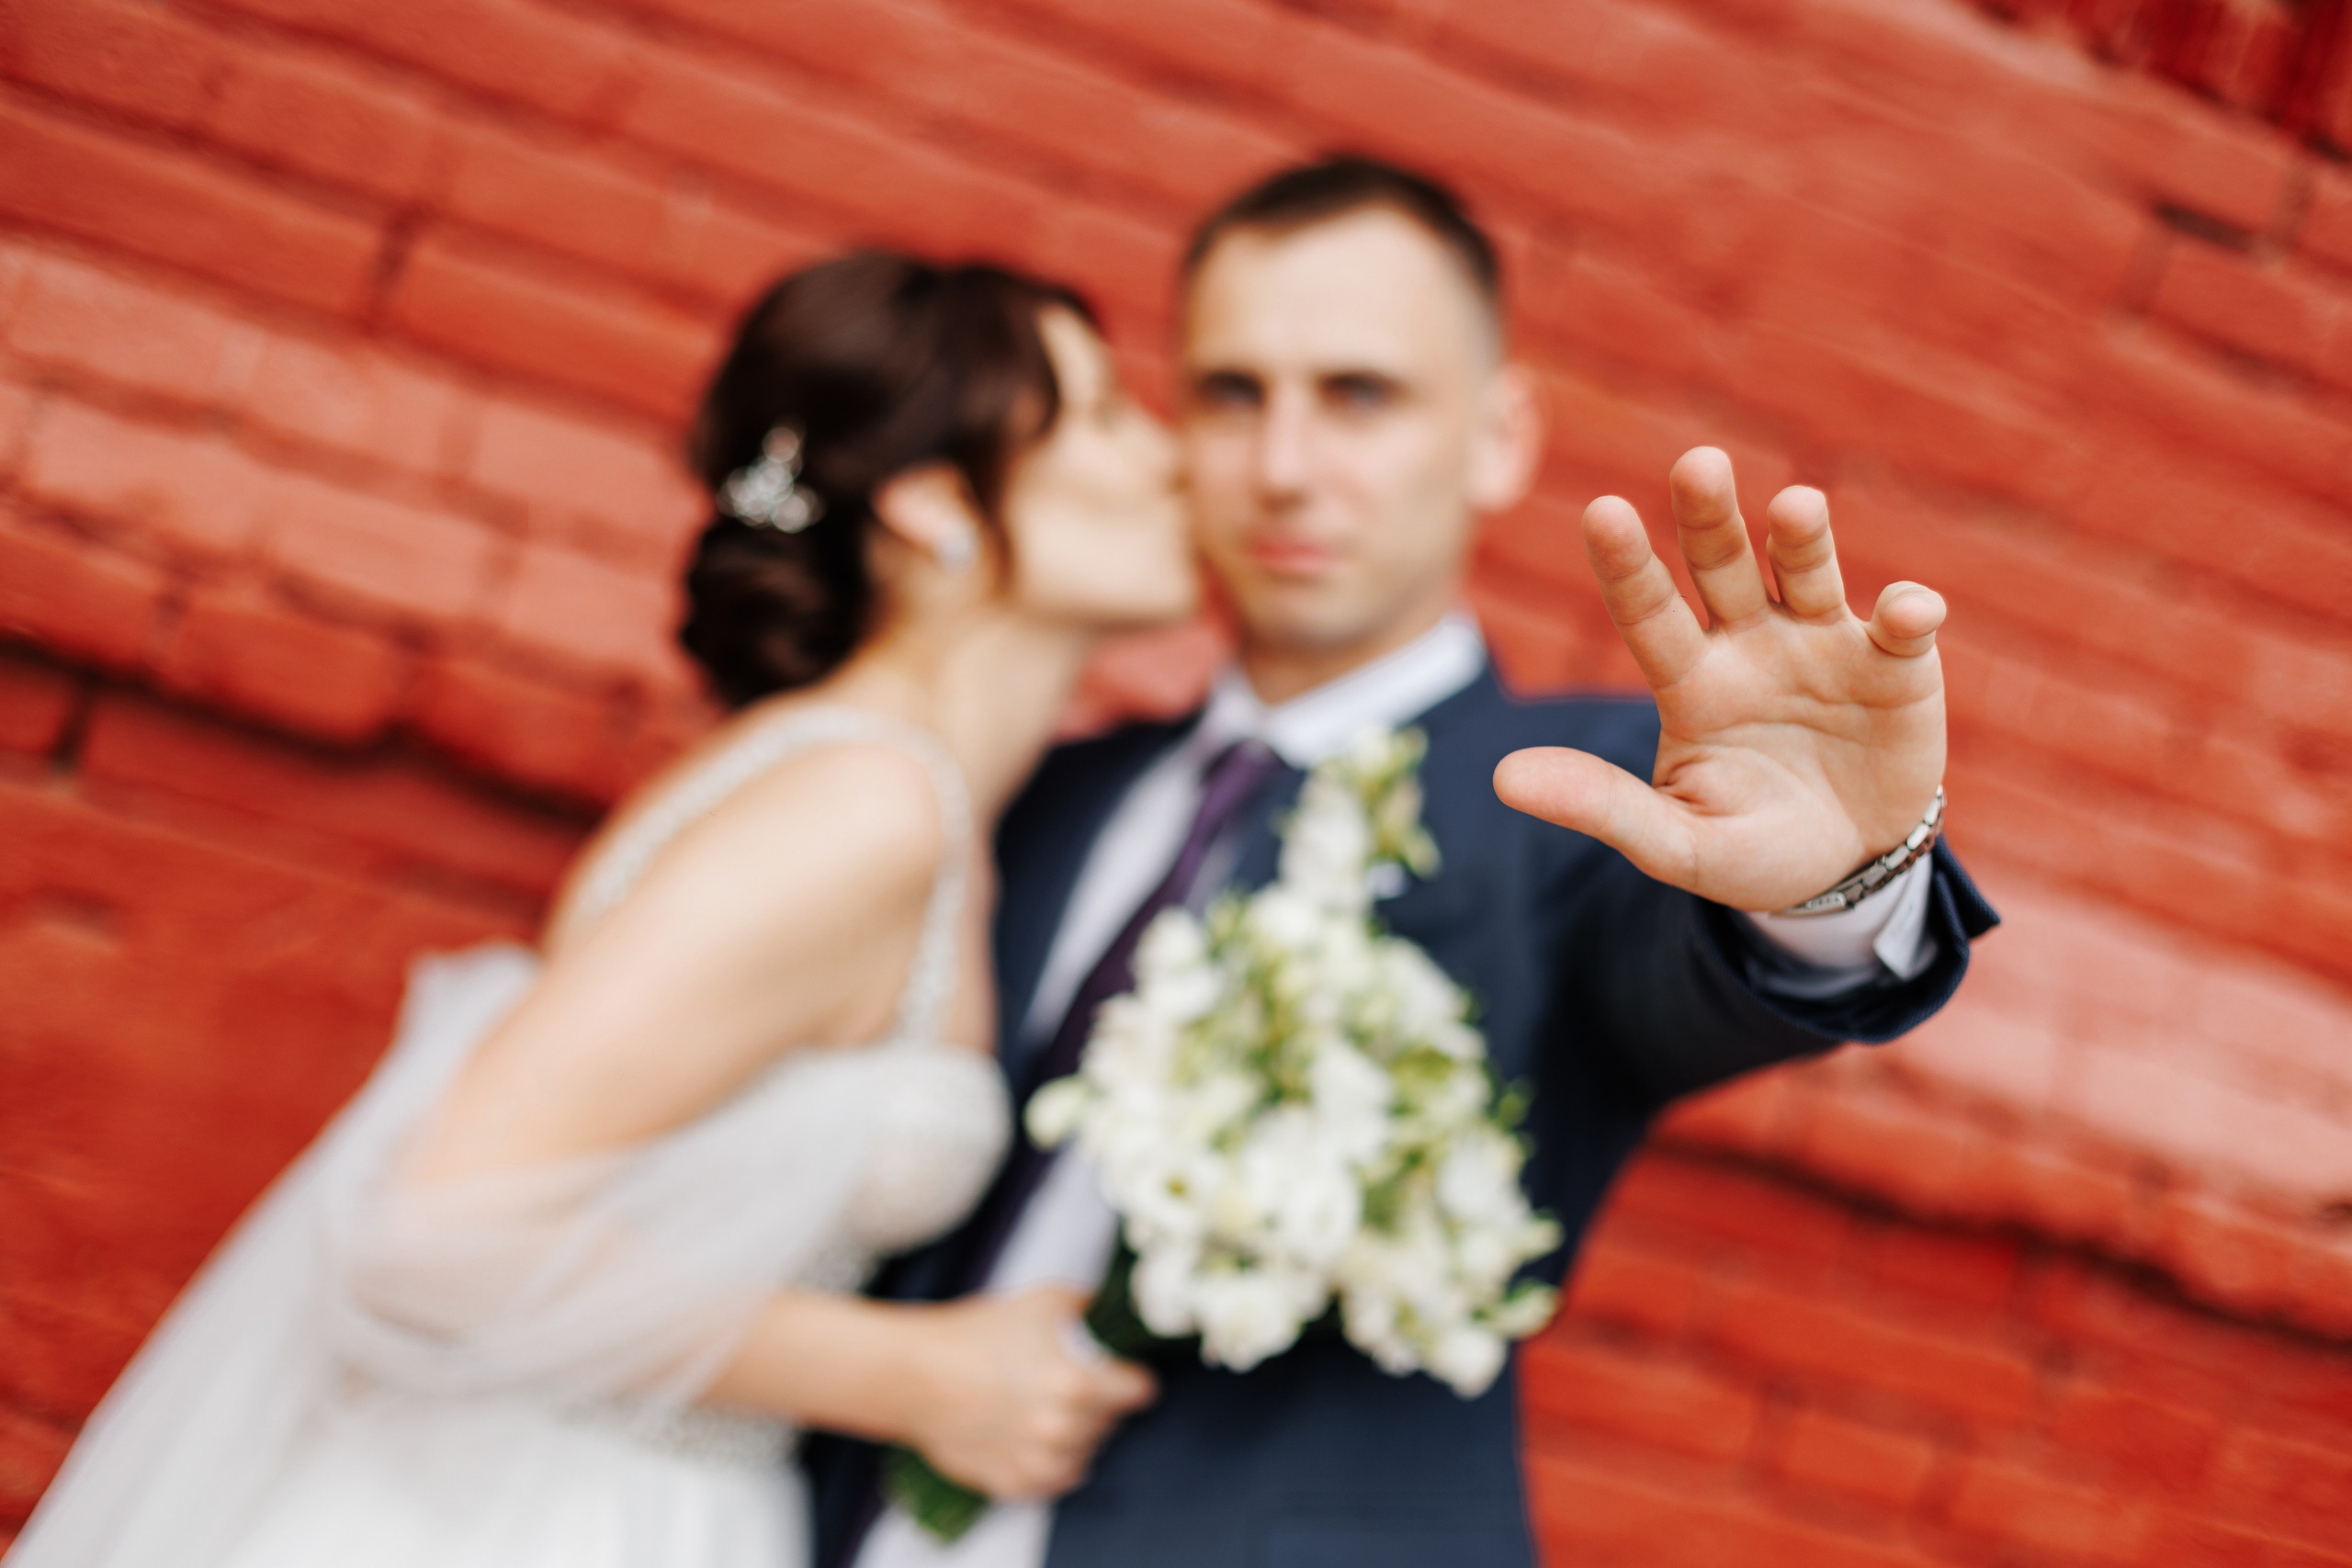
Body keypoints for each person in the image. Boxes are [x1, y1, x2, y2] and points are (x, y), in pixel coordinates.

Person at [809, 157, 1998, 1568]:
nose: (1285, 466)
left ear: (1499, 438)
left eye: (1360, 396)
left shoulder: (1594, 804)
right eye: (1232, 394)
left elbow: (1694, 966)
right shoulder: (1047, 793)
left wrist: (1837, 882)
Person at [5, 252, 1195, 1568]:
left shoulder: (912, 800)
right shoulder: (861, 808)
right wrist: (908, 1375)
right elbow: (427, 1228)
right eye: (1101, 416)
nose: (1168, 456)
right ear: (930, 503)